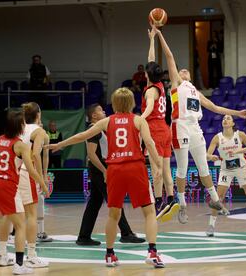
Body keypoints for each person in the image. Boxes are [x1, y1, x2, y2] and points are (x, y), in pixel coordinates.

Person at [46, 88, 165, 268]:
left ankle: (110, 255)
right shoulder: (139, 120)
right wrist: (158, 165)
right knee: (149, 212)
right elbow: (149, 143)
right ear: (132, 103)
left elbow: (82, 136)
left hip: (115, 169)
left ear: (114, 104)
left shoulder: (107, 121)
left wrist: (60, 144)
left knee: (113, 214)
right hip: (135, 166)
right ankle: (153, 253)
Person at [154, 25, 246, 224]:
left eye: (186, 70)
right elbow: (170, 57)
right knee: (182, 169)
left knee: (203, 168)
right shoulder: (176, 84)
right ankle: (181, 205)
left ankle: (215, 200)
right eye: (181, 70)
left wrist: (237, 113)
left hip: (196, 129)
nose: (184, 70)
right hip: (179, 126)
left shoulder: (196, 92)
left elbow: (215, 108)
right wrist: (160, 35)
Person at [0, 109, 46, 274]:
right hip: (5, 185)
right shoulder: (20, 145)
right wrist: (43, 184)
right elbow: (31, 171)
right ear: (20, 126)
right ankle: (19, 265)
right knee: (20, 224)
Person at [76, 104, 145, 246]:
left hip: (101, 169)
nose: (104, 112)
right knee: (115, 201)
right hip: (99, 169)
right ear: (94, 116)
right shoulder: (93, 129)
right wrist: (104, 171)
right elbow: (91, 154)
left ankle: (84, 236)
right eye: (100, 110)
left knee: (94, 203)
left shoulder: (101, 129)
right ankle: (126, 233)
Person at [0, 102, 51, 270]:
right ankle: (32, 256)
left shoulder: (20, 127)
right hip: (26, 173)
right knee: (31, 215)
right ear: (39, 114)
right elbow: (36, 154)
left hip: (12, 172)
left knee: (9, 215)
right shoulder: (39, 131)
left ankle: (3, 254)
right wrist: (42, 178)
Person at [206, 115, 246, 237]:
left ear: (233, 123)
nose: (225, 120)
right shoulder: (217, 138)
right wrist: (210, 157)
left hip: (241, 168)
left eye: (228, 118)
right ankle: (211, 225)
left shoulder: (240, 134)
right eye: (223, 119)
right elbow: (207, 154)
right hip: (226, 169)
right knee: (218, 198)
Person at [142, 28, 179, 222]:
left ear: (147, 75)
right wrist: (152, 40)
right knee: (165, 168)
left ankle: (158, 202)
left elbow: (148, 108)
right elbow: (152, 60)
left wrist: (139, 119)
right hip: (166, 130)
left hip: (155, 129)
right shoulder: (161, 86)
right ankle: (172, 199)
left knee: (156, 170)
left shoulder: (150, 91)